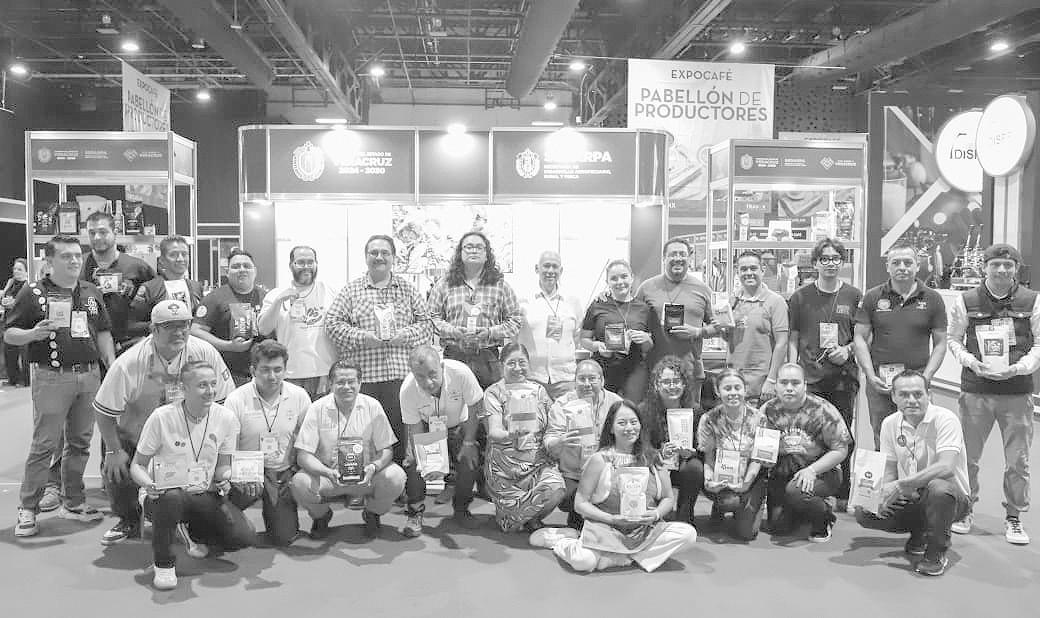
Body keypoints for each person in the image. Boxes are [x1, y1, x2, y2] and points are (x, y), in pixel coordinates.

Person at [94, 300, 235, 545]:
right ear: (154, 329)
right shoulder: (129, 362)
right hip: (139, 436)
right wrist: (114, 451)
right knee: (116, 461)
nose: (179, 332)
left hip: (191, 434)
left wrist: (214, 444)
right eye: (170, 326)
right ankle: (128, 519)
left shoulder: (205, 352)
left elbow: (223, 399)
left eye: (184, 325)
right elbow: (103, 410)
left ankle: (190, 517)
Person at [8, 234, 115, 537]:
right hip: (51, 376)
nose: (74, 261)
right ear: (49, 261)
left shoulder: (91, 291)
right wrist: (32, 335)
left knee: (80, 443)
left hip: (89, 375)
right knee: (44, 444)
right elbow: (9, 333)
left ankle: (74, 501)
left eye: (77, 255)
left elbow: (103, 332)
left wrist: (111, 365)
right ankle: (28, 507)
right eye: (66, 256)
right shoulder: (33, 292)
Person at [129, 361, 255, 590]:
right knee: (171, 498)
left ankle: (190, 530)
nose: (210, 391)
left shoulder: (226, 418)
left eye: (213, 384)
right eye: (202, 385)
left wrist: (233, 477)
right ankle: (164, 564)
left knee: (242, 538)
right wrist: (148, 484)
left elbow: (222, 468)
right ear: (184, 388)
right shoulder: (162, 417)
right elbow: (137, 466)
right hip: (162, 496)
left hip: (203, 493)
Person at [946, 243, 1036, 545]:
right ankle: (964, 509)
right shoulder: (966, 300)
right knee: (968, 457)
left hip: (1017, 392)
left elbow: (1039, 343)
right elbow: (954, 339)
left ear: (1016, 269)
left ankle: (1014, 516)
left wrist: (1020, 368)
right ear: (984, 267)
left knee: (1018, 461)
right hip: (976, 390)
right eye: (995, 264)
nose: (1001, 270)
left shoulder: (1032, 300)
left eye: (1008, 265)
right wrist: (971, 362)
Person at [548, 399, 697, 573]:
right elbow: (580, 503)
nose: (629, 428)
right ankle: (565, 542)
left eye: (634, 422)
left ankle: (620, 557)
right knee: (584, 562)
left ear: (640, 425)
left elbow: (668, 498)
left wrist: (656, 514)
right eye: (622, 423)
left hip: (644, 530)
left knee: (688, 535)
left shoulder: (653, 458)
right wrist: (611, 519)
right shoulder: (600, 459)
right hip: (606, 527)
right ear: (611, 428)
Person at [325, 235, 432, 462]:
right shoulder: (351, 290)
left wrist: (405, 336)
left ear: (393, 257)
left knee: (401, 433)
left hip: (400, 378)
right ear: (366, 257)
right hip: (364, 379)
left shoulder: (407, 289)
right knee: (362, 434)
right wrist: (363, 337)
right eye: (373, 253)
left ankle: (399, 477)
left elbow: (426, 325)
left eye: (385, 253)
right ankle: (361, 477)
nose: (379, 257)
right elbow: (332, 325)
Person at [291, 361, 407, 540]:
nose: (346, 387)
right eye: (340, 382)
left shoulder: (373, 406)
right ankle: (321, 515)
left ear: (360, 383)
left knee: (396, 477)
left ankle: (373, 513)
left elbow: (387, 449)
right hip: (330, 476)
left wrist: (373, 467)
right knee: (299, 483)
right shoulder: (317, 408)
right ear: (330, 384)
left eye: (351, 382)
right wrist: (326, 472)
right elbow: (303, 456)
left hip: (366, 476)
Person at [787, 238, 862, 508]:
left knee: (842, 435)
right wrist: (793, 369)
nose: (830, 263)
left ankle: (842, 491)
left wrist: (848, 350)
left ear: (842, 262)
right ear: (815, 263)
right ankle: (811, 485)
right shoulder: (800, 297)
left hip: (843, 378)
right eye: (825, 259)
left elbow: (863, 336)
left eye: (835, 258)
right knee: (809, 436)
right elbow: (793, 336)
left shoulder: (854, 296)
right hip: (811, 378)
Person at [873, 370, 971, 577]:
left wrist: (901, 485)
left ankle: (936, 554)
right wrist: (884, 494)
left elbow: (946, 467)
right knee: (866, 510)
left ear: (929, 394)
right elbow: (889, 471)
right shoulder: (889, 423)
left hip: (953, 498)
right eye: (904, 394)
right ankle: (921, 532)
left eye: (918, 394)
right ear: (893, 397)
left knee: (938, 489)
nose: (911, 400)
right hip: (914, 494)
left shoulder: (946, 419)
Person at [854, 243, 948, 449]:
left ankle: (917, 472)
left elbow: (941, 343)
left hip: (918, 383)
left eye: (908, 262)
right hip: (880, 383)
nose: (902, 267)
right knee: (883, 437)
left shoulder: (933, 299)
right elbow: (859, 338)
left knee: (921, 438)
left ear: (917, 266)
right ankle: (887, 471)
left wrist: (926, 377)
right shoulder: (872, 297)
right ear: (888, 266)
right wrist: (869, 374)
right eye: (896, 263)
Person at [224, 340, 312, 546]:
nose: (272, 376)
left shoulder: (299, 396)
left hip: (281, 470)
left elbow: (307, 440)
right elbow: (228, 447)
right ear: (252, 370)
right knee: (229, 536)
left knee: (284, 538)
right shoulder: (236, 399)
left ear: (285, 370)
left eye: (277, 370)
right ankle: (221, 518)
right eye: (265, 370)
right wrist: (239, 476)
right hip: (246, 470)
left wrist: (297, 470)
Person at [760, 363, 852, 542]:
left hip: (821, 473)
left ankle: (824, 518)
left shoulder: (823, 410)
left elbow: (841, 450)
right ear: (776, 385)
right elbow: (761, 450)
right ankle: (802, 507)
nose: (789, 388)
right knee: (778, 527)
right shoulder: (767, 410)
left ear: (805, 385)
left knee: (797, 492)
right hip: (782, 474)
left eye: (795, 383)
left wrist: (812, 471)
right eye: (783, 382)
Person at [399, 345, 484, 536]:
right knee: (413, 463)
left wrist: (469, 442)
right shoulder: (407, 390)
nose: (428, 382)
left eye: (432, 374)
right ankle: (415, 512)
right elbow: (414, 428)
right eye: (420, 377)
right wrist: (423, 460)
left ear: (442, 366)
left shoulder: (460, 372)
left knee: (469, 459)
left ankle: (461, 509)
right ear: (412, 373)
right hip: (426, 428)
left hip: (459, 424)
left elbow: (474, 408)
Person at [480, 343, 566, 532]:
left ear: (529, 364)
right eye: (511, 363)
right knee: (510, 527)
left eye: (522, 362)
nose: (517, 368)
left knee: (557, 488)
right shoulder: (493, 392)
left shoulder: (540, 391)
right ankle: (513, 516)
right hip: (505, 468)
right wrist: (510, 434)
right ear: (501, 365)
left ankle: (529, 518)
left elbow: (554, 424)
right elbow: (493, 432)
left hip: (537, 463)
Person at [427, 231, 522, 389]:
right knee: (454, 400)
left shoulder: (500, 286)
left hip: (488, 358)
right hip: (454, 355)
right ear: (460, 253)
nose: (473, 251)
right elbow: (431, 318)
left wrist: (490, 332)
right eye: (469, 247)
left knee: (489, 401)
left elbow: (515, 320)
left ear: (486, 255)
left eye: (479, 247)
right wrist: (453, 331)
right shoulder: (444, 284)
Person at [635, 238, 719, 409]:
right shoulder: (646, 288)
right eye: (673, 254)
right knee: (653, 418)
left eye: (682, 254)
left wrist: (697, 332)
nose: (678, 258)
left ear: (689, 258)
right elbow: (633, 320)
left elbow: (718, 327)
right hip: (654, 372)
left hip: (690, 372)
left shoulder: (703, 289)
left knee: (689, 419)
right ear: (664, 258)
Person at [544, 359, 623, 528]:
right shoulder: (562, 404)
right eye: (582, 379)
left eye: (592, 379)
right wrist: (559, 442)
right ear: (574, 381)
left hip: (606, 472)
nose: (587, 384)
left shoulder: (616, 403)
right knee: (561, 493)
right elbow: (550, 439)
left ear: (602, 381)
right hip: (572, 474)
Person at [258, 245, 338, 400]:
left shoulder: (331, 292)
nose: (306, 266)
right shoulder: (276, 294)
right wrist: (279, 301)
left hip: (325, 373)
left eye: (310, 262)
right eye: (300, 262)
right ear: (291, 265)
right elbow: (263, 329)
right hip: (290, 375)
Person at [698, 368, 767, 540]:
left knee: (747, 534)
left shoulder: (760, 419)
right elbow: (708, 457)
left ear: (745, 389)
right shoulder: (708, 419)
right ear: (718, 391)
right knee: (729, 502)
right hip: (722, 478)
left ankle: (747, 505)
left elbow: (758, 459)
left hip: (751, 477)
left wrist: (746, 483)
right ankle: (721, 506)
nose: (733, 393)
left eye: (737, 387)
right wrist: (709, 481)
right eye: (727, 388)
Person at [639, 355, 705, 525]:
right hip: (656, 465)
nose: (672, 386)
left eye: (676, 381)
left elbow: (702, 449)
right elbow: (642, 446)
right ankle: (651, 512)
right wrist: (658, 454)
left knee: (695, 467)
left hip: (683, 466)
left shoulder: (696, 411)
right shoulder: (644, 410)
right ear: (656, 384)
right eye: (666, 382)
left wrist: (691, 453)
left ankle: (684, 516)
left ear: (684, 384)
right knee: (644, 466)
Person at [580, 259, 655, 401]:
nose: (620, 282)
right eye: (614, 278)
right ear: (607, 282)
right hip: (604, 370)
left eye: (624, 276)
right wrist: (597, 346)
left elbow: (648, 347)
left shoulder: (644, 309)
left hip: (634, 372)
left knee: (631, 410)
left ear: (632, 278)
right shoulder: (598, 305)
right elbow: (584, 339)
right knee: (602, 409)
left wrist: (646, 339)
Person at [81, 211, 155, 353]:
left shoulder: (138, 267)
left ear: (115, 233)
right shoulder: (78, 266)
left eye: (103, 232)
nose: (97, 237)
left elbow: (156, 302)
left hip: (130, 345)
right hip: (89, 346)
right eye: (92, 233)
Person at [723, 251, 790, 405]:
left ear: (762, 269)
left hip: (761, 384)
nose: (748, 273)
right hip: (734, 381)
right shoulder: (733, 301)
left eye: (753, 268)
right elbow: (730, 337)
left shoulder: (776, 302)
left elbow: (782, 343)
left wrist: (771, 380)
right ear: (737, 272)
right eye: (743, 269)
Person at [193, 248, 267, 386]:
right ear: (227, 272)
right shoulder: (214, 298)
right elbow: (196, 331)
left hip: (264, 374)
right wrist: (228, 346)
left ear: (255, 271)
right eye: (236, 266)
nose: (242, 269)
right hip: (229, 374)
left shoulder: (266, 297)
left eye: (247, 266)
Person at [517, 251, 585, 400]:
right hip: (532, 377)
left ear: (561, 270)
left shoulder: (572, 301)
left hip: (565, 378)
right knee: (532, 415)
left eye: (555, 267)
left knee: (565, 415)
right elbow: (513, 336)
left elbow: (577, 335)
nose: (550, 271)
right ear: (537, 268)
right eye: (546, 266)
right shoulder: (522, 300)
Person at [128, 236, 205, 340]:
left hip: (193, 344)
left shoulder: (196, 287)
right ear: (162, 260)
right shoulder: (150, 288)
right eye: (173, 255)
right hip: (161, 344)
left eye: (184, 254)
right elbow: (131, 325)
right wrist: (158, 325)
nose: (180, 259)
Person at [3, 258, 30, 387]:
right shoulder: (11, 282)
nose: (16, 271)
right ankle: (12, 378)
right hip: (9, 320)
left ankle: (25, 380)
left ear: (26, 272)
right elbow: (4, 295)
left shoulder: (28, 285)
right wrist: (4, 301)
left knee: (24, 352)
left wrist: (13, 303)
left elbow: (26, 303)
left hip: (22, 321)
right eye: (15, 268)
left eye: (20, 269)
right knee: (9, 350)